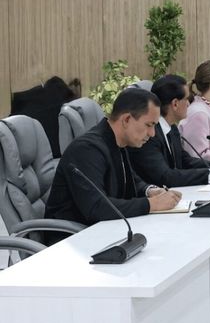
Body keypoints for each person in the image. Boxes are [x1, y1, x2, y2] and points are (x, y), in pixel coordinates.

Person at [44, 88, 182, 227]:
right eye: (149, 125)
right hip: (73, 235)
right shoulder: (87, 149)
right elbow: (97, 207)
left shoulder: (117, 142)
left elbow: (129, 180)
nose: (152, 133)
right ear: (126, 119)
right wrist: (152, 204)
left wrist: (150, 191)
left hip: (107, 229)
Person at [129, 75, 210, 188]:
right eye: (186, 99)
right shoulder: (149, 135)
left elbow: (186, 161)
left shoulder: (172, 128)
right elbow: (165, 177)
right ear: (175, 104)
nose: (189, 104)